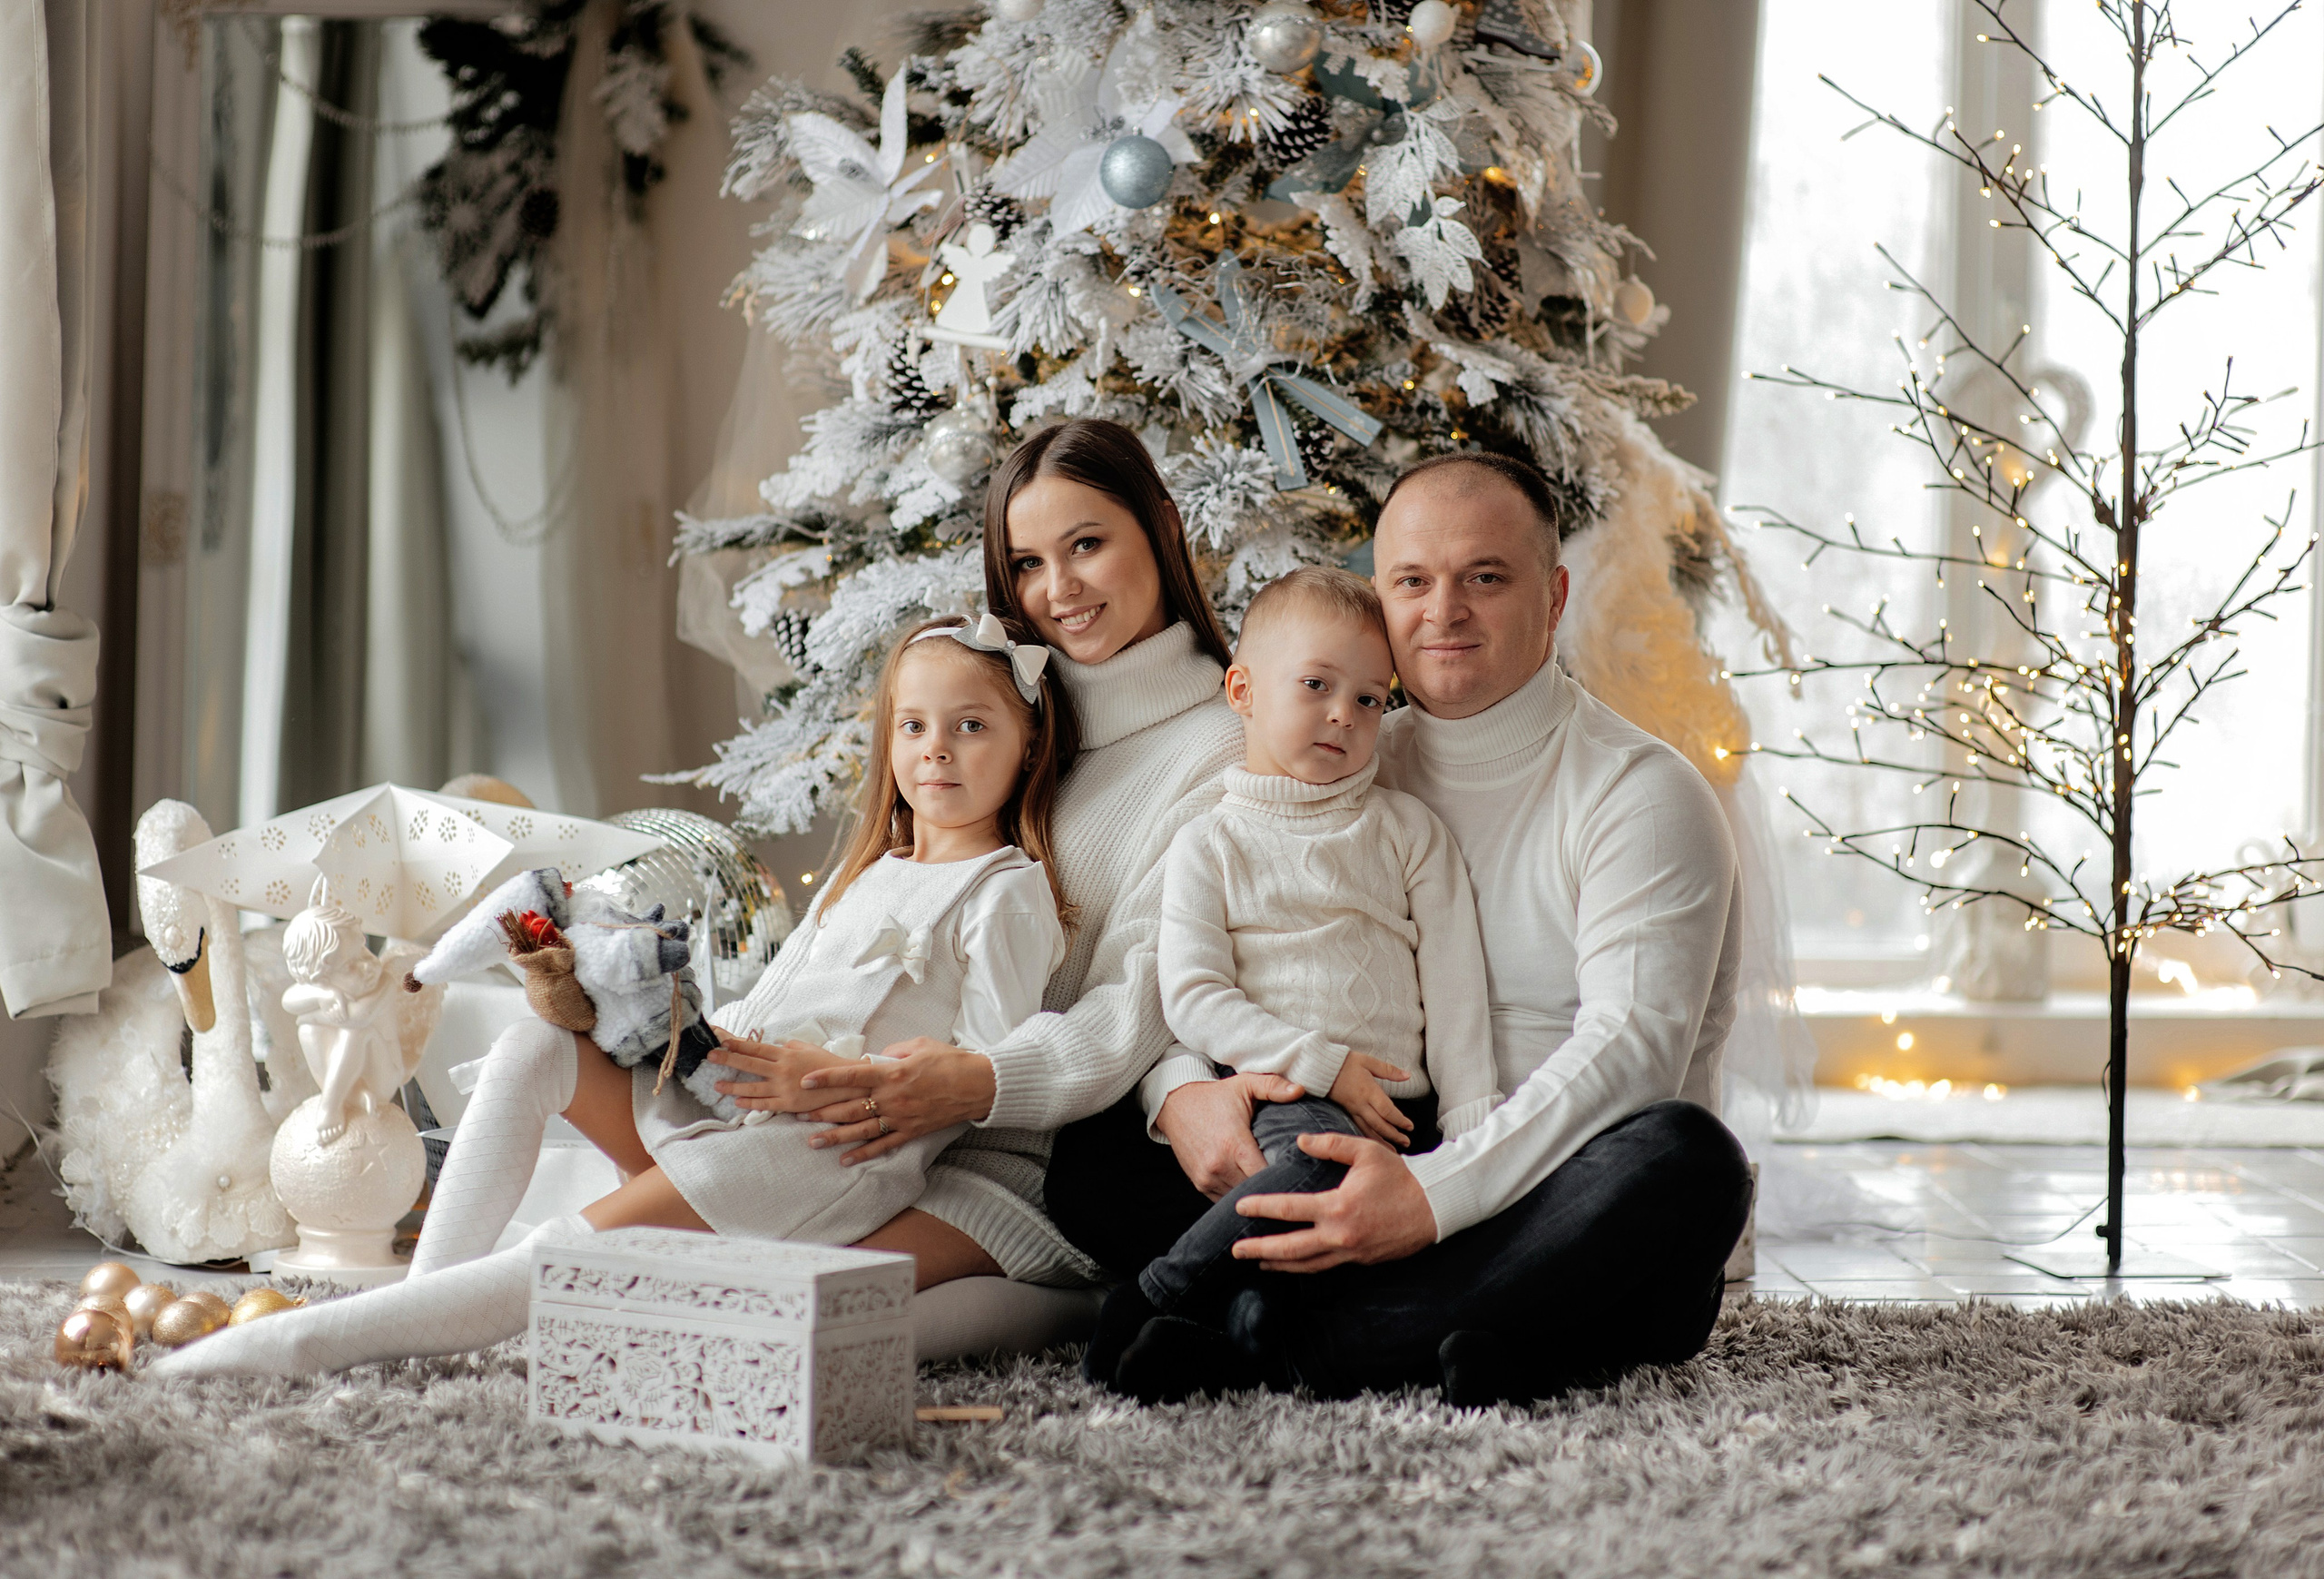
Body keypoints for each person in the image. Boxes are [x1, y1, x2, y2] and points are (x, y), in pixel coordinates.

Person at [153, 612, 1076, 1378]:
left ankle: (313, 1340)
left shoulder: (1005, 891)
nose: (936, 751)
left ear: (1025, 741)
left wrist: (831, 1077)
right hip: (721, 1094)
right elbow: (781, 999)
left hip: (819, 1153)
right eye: (914, 726)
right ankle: (419, 1307)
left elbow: (978, 1078)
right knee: (532, 1044)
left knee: (568, 1246)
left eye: (971, 726)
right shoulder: (867, 870)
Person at [1052, 450, 1755, 1406]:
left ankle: (1309, 1335)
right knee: (1093, 1148)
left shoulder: (1637, 791)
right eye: (1412, 581)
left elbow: (1631, 1051)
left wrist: (1428, 1197)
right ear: (1378, 597)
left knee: (1685, 1159)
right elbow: (1211, 945)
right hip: (1357, 1145)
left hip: (1544, 1192)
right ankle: (1458, 1333)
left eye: (1486, 578)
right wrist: (1183, 1093)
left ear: (1551, 597)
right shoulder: (1348, 755)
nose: (1444, 610)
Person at [704, 416, 1271, 1307]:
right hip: (880, 1120)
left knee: (775, 1304)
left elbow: (1141, 994)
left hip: (1029, 1160)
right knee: (678, 1247)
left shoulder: (1220, 749)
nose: (1060, 589)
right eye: (1028, 564)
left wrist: (979, 1079)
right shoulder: (997, 714)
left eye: (1087, 543)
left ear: (1164, 527)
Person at [1082, 566, 1500, 1399]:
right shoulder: (1210, 842)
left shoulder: (1406, 830)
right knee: (1314, 1171)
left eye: (1371, 698)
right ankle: (1160, 1292)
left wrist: (1474, 1135)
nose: (1344, 713)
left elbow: (1457, 995)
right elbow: (1193, 997)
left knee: (1393, 1240)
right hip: (1287, 1099)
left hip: (1402, 1110)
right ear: (1242, 689)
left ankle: (1241, 1331)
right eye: (1316, 685)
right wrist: (1321, 1063)